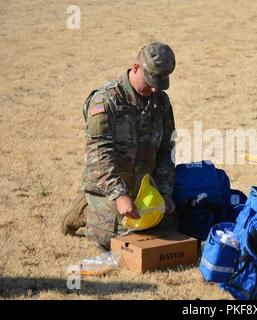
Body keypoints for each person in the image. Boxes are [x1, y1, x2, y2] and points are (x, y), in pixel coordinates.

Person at [61, 42, 177, 251]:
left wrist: (165, 192)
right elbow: (99, 153)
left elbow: (166, 149)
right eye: (150, 81)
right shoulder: (106, 101)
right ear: (136, 68)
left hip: (143, 189)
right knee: (118, 237)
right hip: (109, 186)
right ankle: (84, 208)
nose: (154, 88)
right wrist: (119, 195)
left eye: (160, 83)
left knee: (171, 226)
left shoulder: (161, 102)